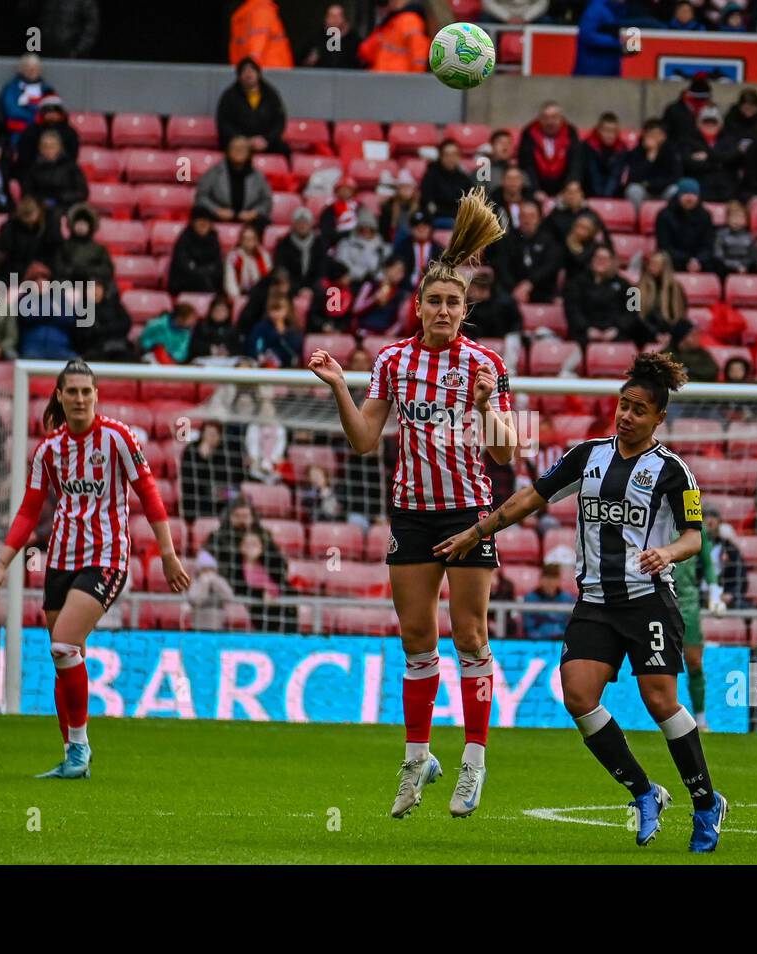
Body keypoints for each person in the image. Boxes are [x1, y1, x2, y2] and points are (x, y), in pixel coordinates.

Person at [436, 352, 727, 852]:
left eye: (639, 409)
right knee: (578, 696)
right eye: (624, 404)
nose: (627, 415)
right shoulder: (586, 456)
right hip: (595, 600)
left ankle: (705, 803)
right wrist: (477, 531)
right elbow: (531, 498)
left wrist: (667, 552)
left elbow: (694, 538)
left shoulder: (674, 472)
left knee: (660, 701)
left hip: (648, 600)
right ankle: (643, 792)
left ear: (659, 418)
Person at [307, 187, 515, 819]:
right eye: (435, 300)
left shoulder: (487, 363)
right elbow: (367, 438)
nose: (445, 309)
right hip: (413, 514)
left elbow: (507, 455)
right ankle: (417, 757)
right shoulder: (393, 361)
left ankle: (474, 764)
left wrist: (484, 408)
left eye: (454, 301)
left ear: (465, 306)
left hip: (470, 512)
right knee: (417, 640)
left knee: (471, 636)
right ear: (419, 306)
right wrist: (342, 387)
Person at [0, 358, 191, 780]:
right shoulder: (49, 451)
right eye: (72, 391)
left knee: (63, 646)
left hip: (107, 558)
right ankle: (72, 754)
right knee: (66, 655)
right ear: (60, 396)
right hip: (60, 560)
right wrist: (2, 564)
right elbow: (28, 511)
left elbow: (148, 494)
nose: (80, 398)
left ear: (97, 395)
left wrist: (167, 552)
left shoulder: (117, 438)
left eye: (86, 391)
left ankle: (79, 750)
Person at [565, 245, 643, 346]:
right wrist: (586, 328)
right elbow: (572, 309)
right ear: (592, 260)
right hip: (584, 334)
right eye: (598, 258)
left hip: (617, 334)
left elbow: (634, 310)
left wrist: (617, 329)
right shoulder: (576, 283)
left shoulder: (627, 285)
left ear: (612, 261)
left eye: (605, 258)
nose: (600, 261)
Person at [489, 199, 561, 303]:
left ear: (539, 218)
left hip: (542, 291)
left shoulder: (549, 241)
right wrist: (516, 289)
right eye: (523, 216)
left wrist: (529, 283)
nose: (527, 221)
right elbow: (502, 266)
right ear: (518, 218)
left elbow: (550, 266)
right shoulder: (507, 240)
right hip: (511, 292)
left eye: (532, 216)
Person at [196, 136, 273, 231]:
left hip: (250, 220)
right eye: (235, 148)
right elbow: (201, 197)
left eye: (243, 148)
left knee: (263, 222)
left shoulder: (257, 175)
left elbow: (266, 201)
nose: (239, 151)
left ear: (249, 152)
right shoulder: (214, 172)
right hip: (218, 217)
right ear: (228, 151)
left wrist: (254, 213)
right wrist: (216, 210)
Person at [216, 58, 290, 154]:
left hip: (266, 142)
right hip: (239, 142)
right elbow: (224, 124)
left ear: (259, 74)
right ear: (239, 76)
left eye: (252, 70)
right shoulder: (229, 96)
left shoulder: (271, 95)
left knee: (285, 150)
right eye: (244, 71)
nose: (248, 74)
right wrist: (245, 140)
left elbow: (279, 121)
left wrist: (266, 139)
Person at [518, 102, 584, 199]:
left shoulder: (570, 133)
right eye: (545, 118)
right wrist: (535, 190)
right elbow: (527, 165)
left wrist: (566, 190)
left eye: (554, 117)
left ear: (561, 119)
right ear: (539, 119)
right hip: (536, 188)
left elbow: (575, 165)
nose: (550, 122)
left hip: (564, 189)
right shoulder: (529, 134)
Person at [678, 105, 741, 202]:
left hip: (726, 188)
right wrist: (719, 162)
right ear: (698, 124)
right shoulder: (688, 140)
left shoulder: (730, 139)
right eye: (705, 122)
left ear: (720, 124)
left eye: (714, 122)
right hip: (700, 186)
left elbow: (732, 158)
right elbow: (689, 164)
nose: (710, 125)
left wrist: (707, 156)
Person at [655, 178, 714, 273]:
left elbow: (708, 245)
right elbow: (664, 246)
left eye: (694, 194)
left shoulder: (705, 216)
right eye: (685, 193)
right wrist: (687, 260)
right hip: (674, 261)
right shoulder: (664, 215)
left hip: (698, 262)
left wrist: (698, 260)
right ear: (678, 195)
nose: (690, 198)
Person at [12, 95, 80, 178]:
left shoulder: (70, 133)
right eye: (48, 111)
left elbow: (71, 158)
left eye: (55, 111)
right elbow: (24, 158)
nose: (52, 115)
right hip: (34, 174)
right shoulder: (31, 131)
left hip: (62, 176)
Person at [0, 196, 61, 280]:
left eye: (31, 214)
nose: (29, 219)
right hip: (18, 272)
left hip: (45, 269)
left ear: (38, 212)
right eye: (25, 215)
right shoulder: (10, 228)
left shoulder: (49, 226)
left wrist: (41, 270)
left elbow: (54, 252)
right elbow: (7, 256)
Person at [637, 250, 692, 348]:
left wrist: (670, 335)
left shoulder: (677, 288)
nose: (652, 266)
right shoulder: (634, 289)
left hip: (671, 335)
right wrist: (655, 334)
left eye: (656, 264)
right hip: (646, 334)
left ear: (665, 267)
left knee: (688, 326)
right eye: (651, 263)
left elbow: (682, 315)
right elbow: (633, 316)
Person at [358, 0, 431, 73]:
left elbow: (419, 60)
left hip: (396, 80)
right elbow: (365, 51)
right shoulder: (394, 21)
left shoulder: (410, 21)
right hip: (386, 78)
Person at [623, 119, 681, 211]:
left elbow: (675, 177)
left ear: (664, 136)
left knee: (675, 190)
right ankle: (637, 221)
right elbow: (633, 177)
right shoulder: (637, 152)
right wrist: (649, 159)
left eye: (657, 134)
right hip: (644, 190)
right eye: (650, 134)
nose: (653, 138)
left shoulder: (671, 152)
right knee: (633, 190)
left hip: (662, 189)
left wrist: (651, 184)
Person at [167, 207, 223, 294]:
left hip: (208, 281)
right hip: (185, 284)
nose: (203, 225)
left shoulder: (214, 239)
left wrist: (206, 271)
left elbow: (217, 265)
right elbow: (182, 264)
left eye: (206, 222)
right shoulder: (184, 238)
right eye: (200, 222)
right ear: (193, 223)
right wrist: (201, 271)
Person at [0, 53, 52, 144]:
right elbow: (12, 111)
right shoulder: (12, 88)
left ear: (40, 70)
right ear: (22, 69)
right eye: (28, 67)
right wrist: (35, 116)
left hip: (43, 133)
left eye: (35, 67)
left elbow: (52, 111)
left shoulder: (46, 89)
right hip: (18, 133)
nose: (32, 70)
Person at [421, 139, 474, 226]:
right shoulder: (431, 175)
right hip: (435, 220)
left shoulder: (464, 178)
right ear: (441, 157)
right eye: (447, 155)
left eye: (454, 154)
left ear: (459, 157)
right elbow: (428, 204)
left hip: (459, 221)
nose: (451, 159)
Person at [228, 0, 293, 69]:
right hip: (262, 69)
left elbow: (257, 45)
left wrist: (249, 67)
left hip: (268, 70)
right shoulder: (252, 9)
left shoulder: (260, 10)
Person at [274, 207, 326, 292]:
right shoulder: (284, 243)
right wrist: (297, 288)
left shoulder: (319, 243)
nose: (302, 225)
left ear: (311, 224)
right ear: (293, 224)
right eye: (299, 222)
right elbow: (281, 267)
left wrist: (312, 287)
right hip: (291, 285)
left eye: (305, 222)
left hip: (314, 285)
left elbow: (322, 268)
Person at [574, 0, 630, 77]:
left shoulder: (616, 11)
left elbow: (612, 35)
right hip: (591, 72)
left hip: (610, 71)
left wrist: (628, 46)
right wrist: (617, 42)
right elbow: (587, 36)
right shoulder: (596, 9)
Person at [522, 562, 577, 639]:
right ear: (540, 579)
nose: (550, 582)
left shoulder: (568, 599)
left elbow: (571, 626)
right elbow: (529, 628)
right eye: (547, 577)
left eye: (553, 578)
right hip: (537, 642)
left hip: (562, 641)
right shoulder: (530, 598)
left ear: (559, 580)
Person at [392, 210, 443, 291]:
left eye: (424, 225)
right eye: (417, 226)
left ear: (430, 227)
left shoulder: (438, 249)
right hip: (405, 289)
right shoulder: (402, 247)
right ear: (411, 229)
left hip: (431, 289)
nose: (421, 228)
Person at [583, 112, 630, 199]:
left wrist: (606, 198)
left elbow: (616, 176)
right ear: (599, 130)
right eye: (606, 130)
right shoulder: (588, 146)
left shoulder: (622, 149)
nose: (610, 135)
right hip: (590, 194)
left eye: (613, 131)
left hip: (612, 195)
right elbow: (593, 174)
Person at [186, 550, 236, 631]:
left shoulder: (220, 581)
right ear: (199, 571)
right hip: (198, 627)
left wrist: (217, 584)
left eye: (211, 569)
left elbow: (229, 597)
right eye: (205, 570)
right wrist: (204, 584)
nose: (208, 573)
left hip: (218, 626)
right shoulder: (196, 583)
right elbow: (196, 601)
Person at [301, 4, 362, 69]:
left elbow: (363, 65)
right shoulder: (315, 40)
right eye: (332, 16)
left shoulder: (355, 41)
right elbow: (299, 63)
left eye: (339, 16)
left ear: (344, 18)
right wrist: (308, 61)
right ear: (326, 18)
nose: (335, 19)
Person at [712, 200, 757, 277]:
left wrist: (744, 265)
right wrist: (736, 266)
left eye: (740, 217)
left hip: (745, 268)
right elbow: (719, 255)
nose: (737, 220)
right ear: (727, 219)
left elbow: (753, 256)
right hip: (726, 269)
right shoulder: (721, 234)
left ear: (746, 220)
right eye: (733, 217)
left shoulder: (749, 236)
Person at [224, 223, 274, 298]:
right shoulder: (233, 257)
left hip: (261, 294)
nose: (248, 242)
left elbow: (269, 278)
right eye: (245, 239)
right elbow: (230, 282)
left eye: (251, 239)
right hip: (240, 293)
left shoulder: (264, 255)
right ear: (240, 240)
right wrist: (237, 298)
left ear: (257, 240)